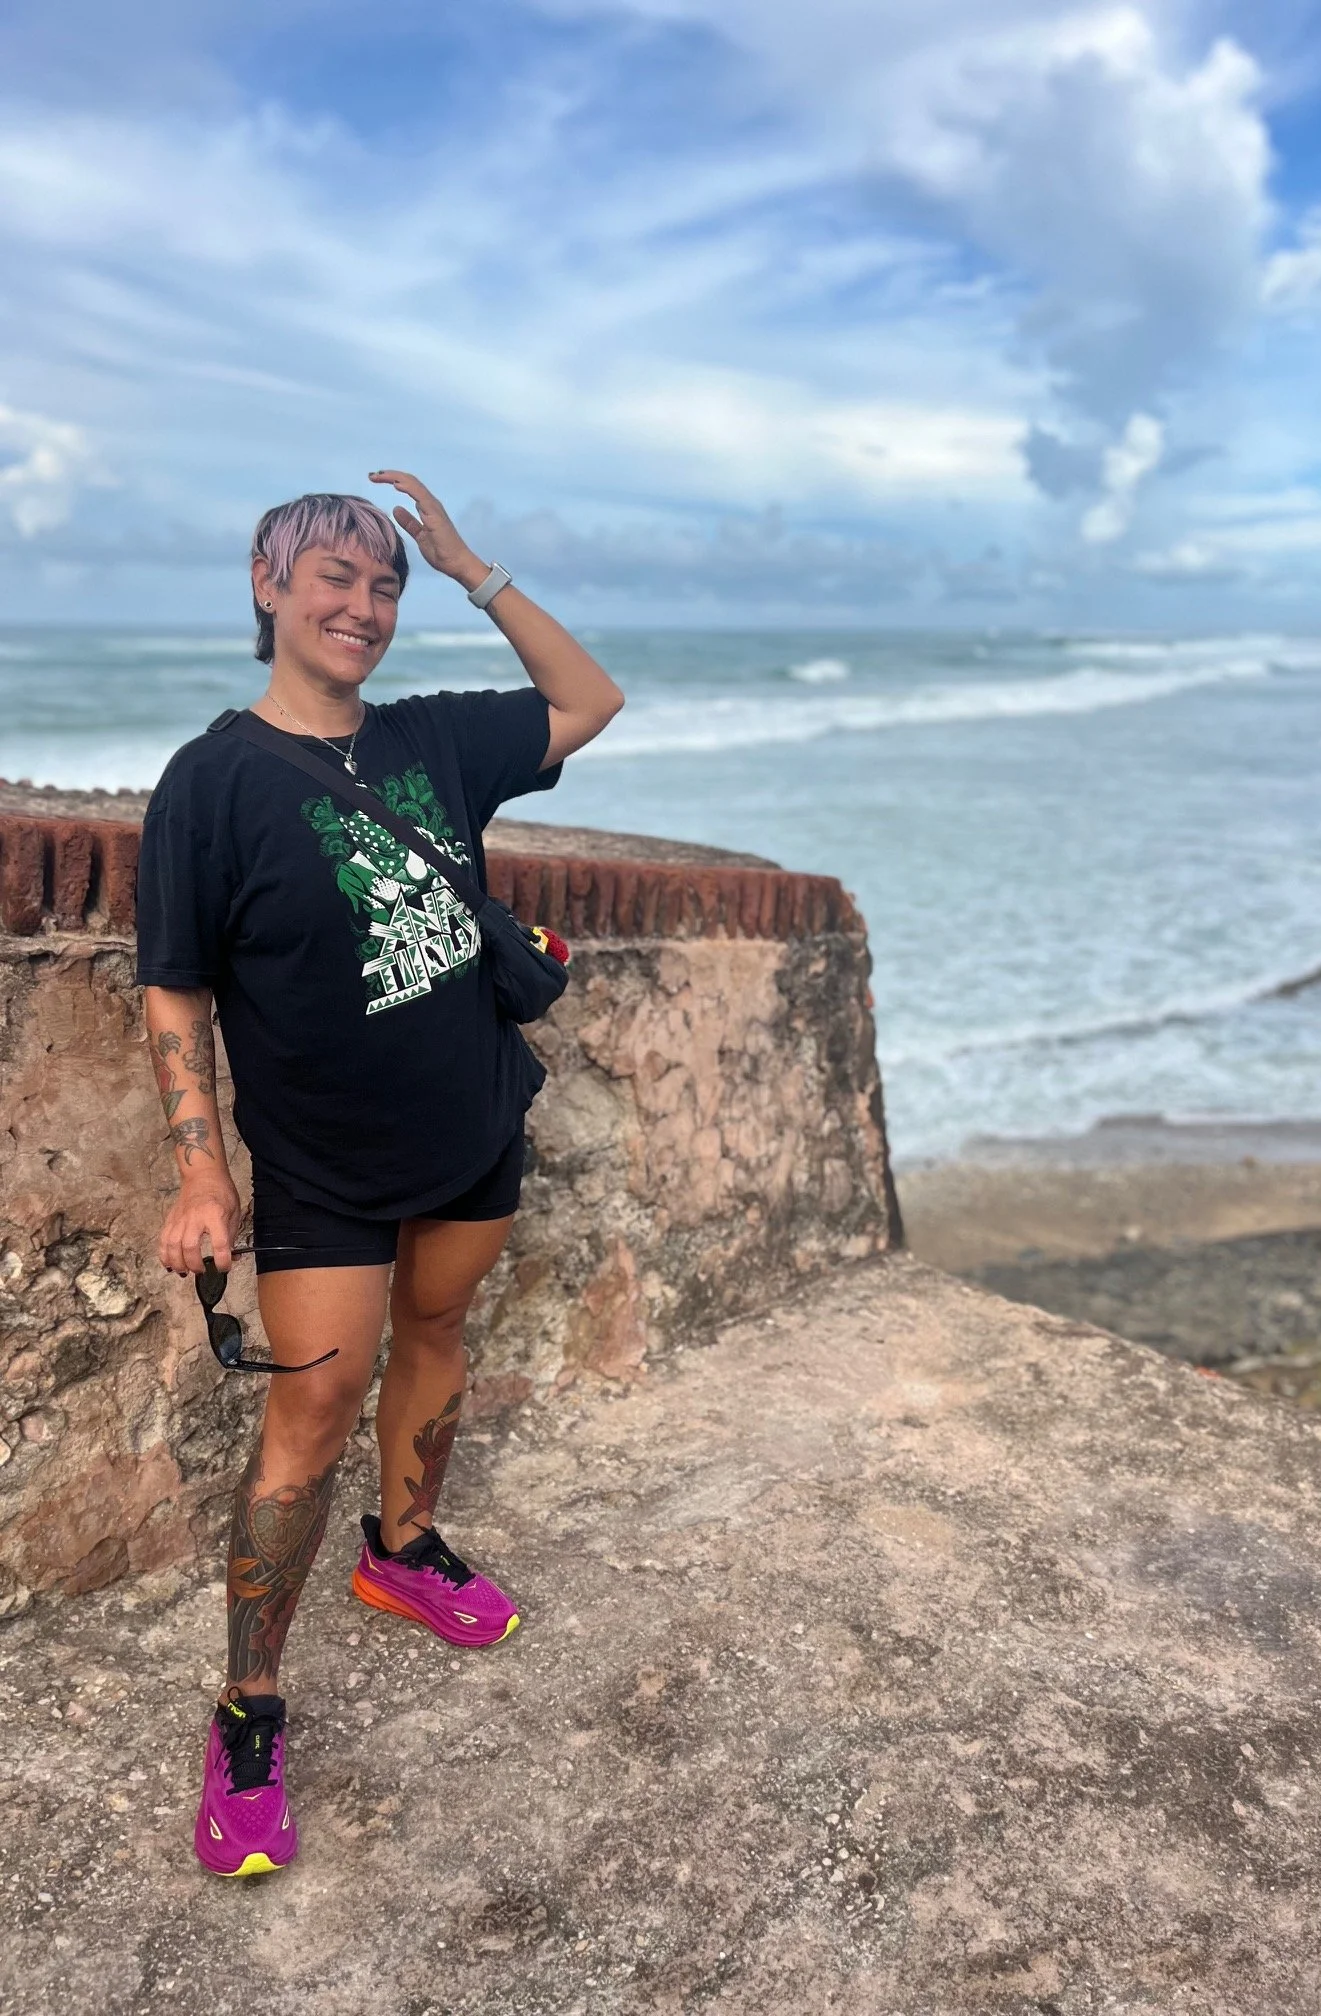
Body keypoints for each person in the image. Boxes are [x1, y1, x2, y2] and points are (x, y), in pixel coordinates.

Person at [135, 475, 623, 1878]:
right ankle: (251, 1709)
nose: (363, 607)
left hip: (472, 1121)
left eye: (386, 585)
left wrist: (474, 565)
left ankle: (404, 1547)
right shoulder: (210, 783)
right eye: (334, 579)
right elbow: (175, 994)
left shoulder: (437, 743)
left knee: (441, 1328)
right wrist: (203, 1173)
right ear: (266, 584)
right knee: (308, 1417)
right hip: (321, 1168)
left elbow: (589, 701)